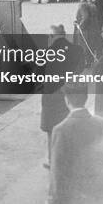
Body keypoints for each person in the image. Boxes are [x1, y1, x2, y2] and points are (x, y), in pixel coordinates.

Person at [47, 83, 103, 204]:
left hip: (74, 198)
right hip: (98, 196)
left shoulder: (61, 130)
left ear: (66, 100)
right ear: (86, 97)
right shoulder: (101, 123)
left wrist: (54, 203)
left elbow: (58, 171)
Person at [40, 24, 84, 168]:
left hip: (51, 97)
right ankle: (69, 159)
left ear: (52, 37)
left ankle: (53, 160)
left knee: (51, 129)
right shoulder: (77, 50)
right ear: (64, 35)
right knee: (69, 127)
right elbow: (80, 69)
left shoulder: (47, 52)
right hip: (70, 95)